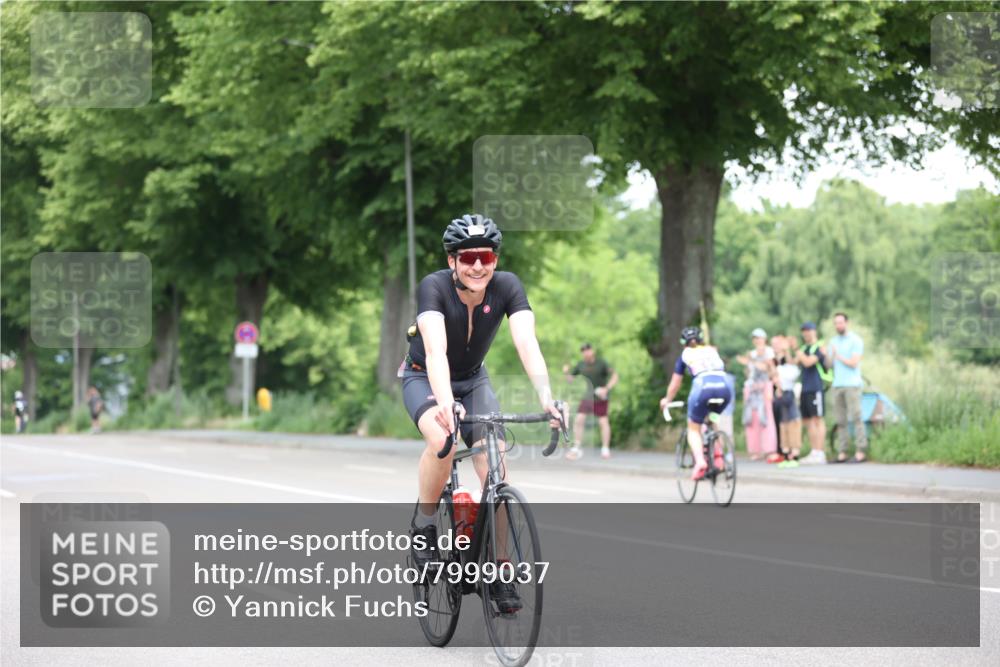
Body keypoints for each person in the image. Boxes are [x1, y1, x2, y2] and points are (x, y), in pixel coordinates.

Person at [400, 214, 562, 613]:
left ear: (495, 259)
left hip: (473, 382)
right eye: (468, 256)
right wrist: (443, 403)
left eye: (486, 256)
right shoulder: (434, 287)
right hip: (424, 377)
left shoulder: (507, 286)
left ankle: (500, 570)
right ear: (453, 260)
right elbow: (435, 351)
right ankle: (423, 528)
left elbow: (527, 342)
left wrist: (547, 397)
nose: (478, 265)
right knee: (442, 440)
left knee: (496, 467)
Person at [659, 326, 732, 480]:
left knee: (693, 427)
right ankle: (719, 459)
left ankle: (700, 462)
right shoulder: (712, 350)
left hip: (703, 387)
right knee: (712, 418)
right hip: (724, 388)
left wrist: (667, 400)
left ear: (683, 342)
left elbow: (675, 384)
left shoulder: (685, 355)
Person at [562, 343, 618, 460]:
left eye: (587, 350)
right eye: (583, 351)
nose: (586, 352)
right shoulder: (581, 365)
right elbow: (570, 380)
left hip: (600, 396)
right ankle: (576, 447)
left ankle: (605, 449)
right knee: (579, 419)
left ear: (592, 351)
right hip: (588, 396)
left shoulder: (601, 363)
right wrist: (566, 372)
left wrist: (606, 388)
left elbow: (615, 376)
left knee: (603, 421)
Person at [828, 312, 868, 463]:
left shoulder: (855, 340)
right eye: (836, 323)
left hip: (852, 384)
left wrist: (839, 356)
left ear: (846, 323)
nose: (838, 325)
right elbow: (829, 365)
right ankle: (842, 452)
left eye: (840, 322)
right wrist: (829, 356)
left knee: (856, 417)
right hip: (837, 384)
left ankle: (860, 451)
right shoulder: (833, 341)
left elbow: (853, 363)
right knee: (840, 420)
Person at [737, 328, 778, 461]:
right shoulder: (751, 353)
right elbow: (749, 372)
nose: (757, 340)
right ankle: (755, 450)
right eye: (755, 338)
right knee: (751, 419)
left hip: (764, 387)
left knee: (766, 418)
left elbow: (770, 369)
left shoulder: (769, 352)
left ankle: (769, 449)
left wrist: (753, 361)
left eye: (759, 338)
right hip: (751, 387)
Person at [796, 322, 830, 464]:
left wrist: (797, 352)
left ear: (814, 331)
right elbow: (794, 362)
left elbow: (808, 362)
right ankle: (814, 451)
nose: (806, 333)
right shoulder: (804, 348)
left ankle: (820, 452)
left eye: (809, 330)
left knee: (818, 419)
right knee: (808, 421)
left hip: (816, 387)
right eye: (804, 331)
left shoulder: (820, 347)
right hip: (805, 388)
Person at [773, 335, 802, 468]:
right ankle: (786, 453)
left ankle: (794, 454)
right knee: (783, 424)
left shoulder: (792, 369)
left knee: (793, 423)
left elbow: (791, 373)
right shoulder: (779, 369)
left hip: (789, 394)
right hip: (782, 395)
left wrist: (787, 350)